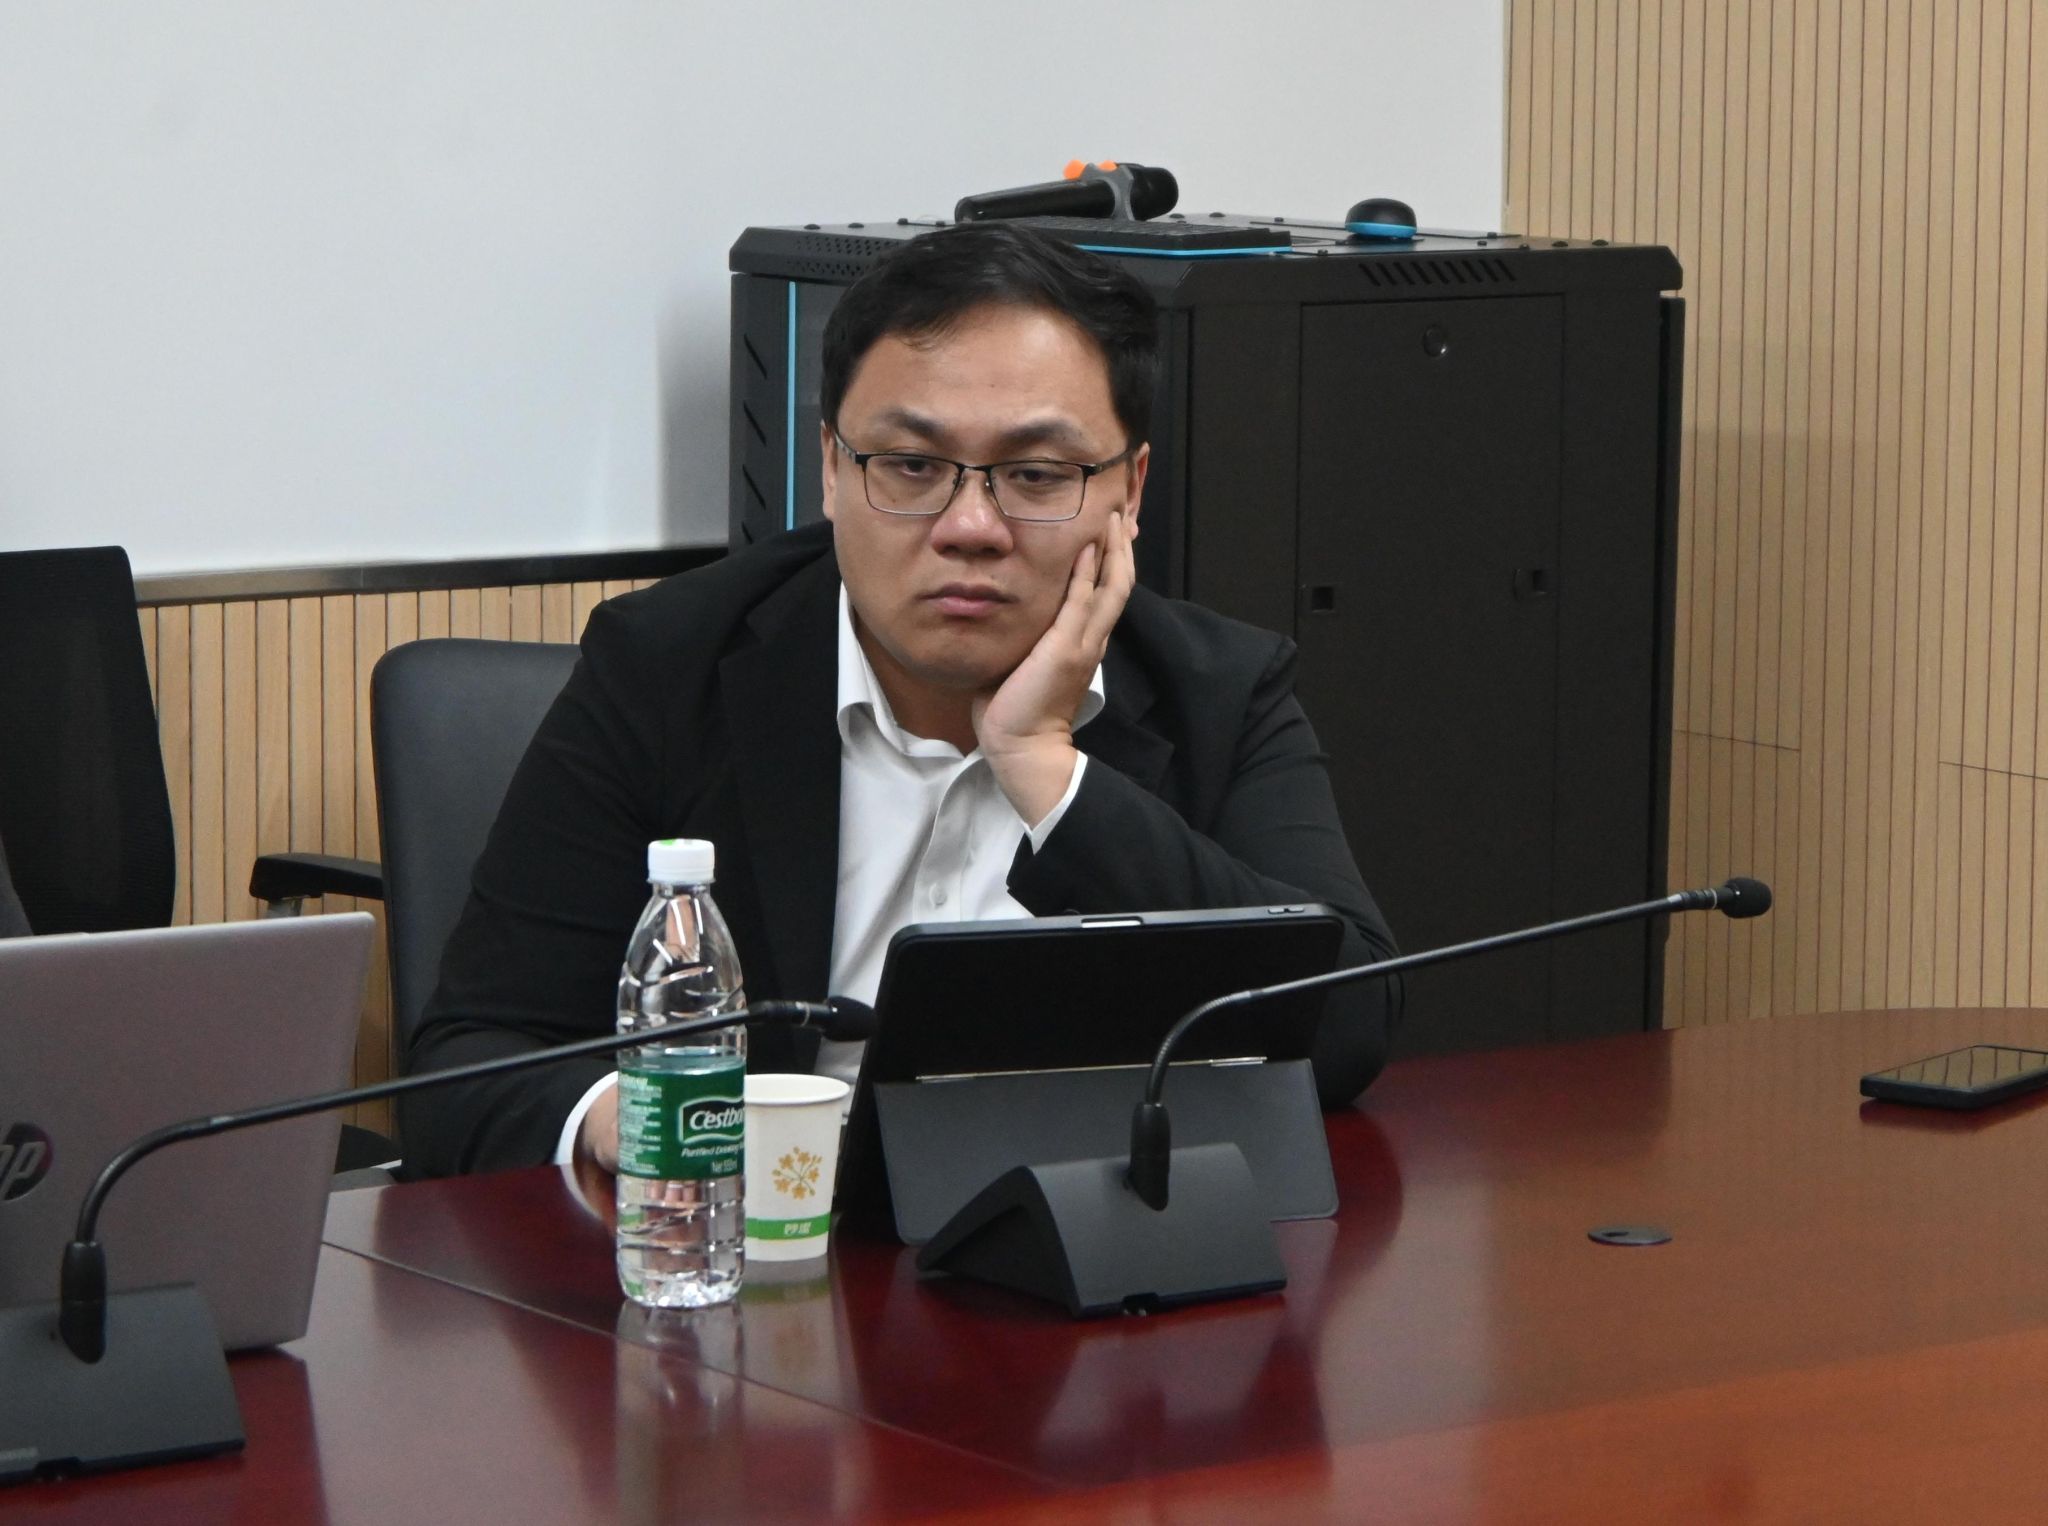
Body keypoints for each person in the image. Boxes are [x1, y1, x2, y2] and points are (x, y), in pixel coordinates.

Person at [402, 222, 1400, 1177]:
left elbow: (1348, 1024)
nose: (970, 526)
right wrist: (660, 1124)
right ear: (832, 469)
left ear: (1128, 492)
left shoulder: (1217, 692)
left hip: (1089, 1255)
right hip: (766, 1250)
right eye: (912, 466)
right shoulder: (667, 665)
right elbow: (467, 1063)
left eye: (1035, 474)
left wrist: (1049, 772)